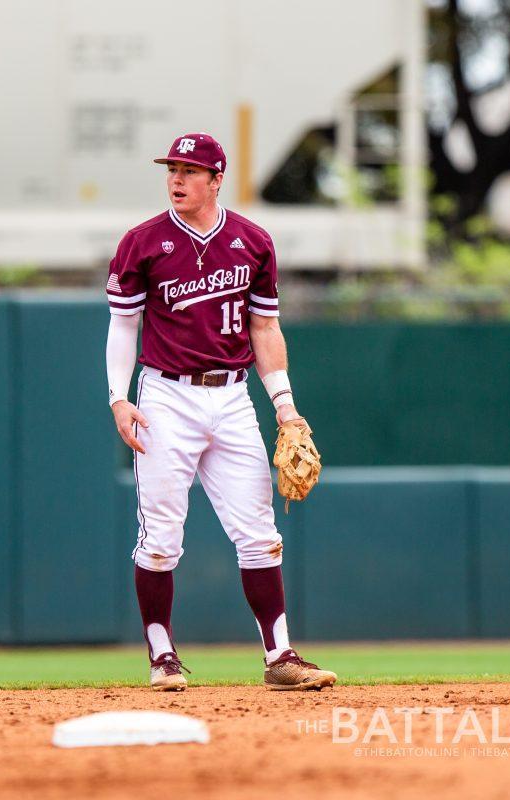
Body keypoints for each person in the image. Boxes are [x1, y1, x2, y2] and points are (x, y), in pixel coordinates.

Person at [105, 133, 337, 691]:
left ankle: (280, 657)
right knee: (160, 538)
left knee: (259, 533)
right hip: (166, 397)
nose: (176, 180)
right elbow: (123, 325)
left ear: (216, 179)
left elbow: (265, 328)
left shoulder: (252, 241)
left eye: (189, 170)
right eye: (172, 169)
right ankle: (162, 657)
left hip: (233, 398)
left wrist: (285, 407)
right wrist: (119, 396)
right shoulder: (143, 242)